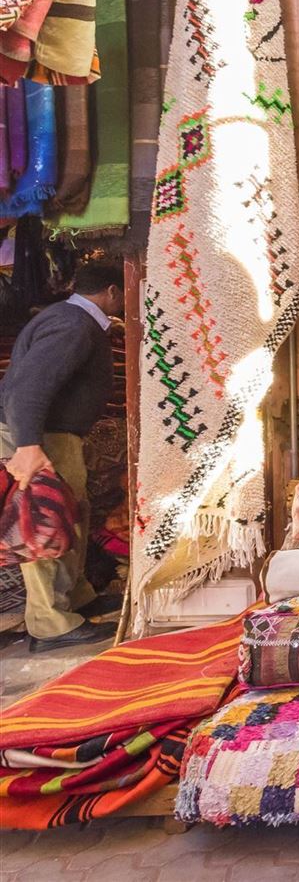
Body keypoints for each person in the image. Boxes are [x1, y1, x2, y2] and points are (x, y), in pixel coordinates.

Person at [0, 262, 124, 652]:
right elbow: (30, 384)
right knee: (43, 522)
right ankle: (50, 623)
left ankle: (76, 599)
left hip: (52, 435)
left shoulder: (70, 320)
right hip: (40, 437)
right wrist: (28, 445)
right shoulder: (73, 325)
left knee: (71, 516)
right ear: (112, 292)